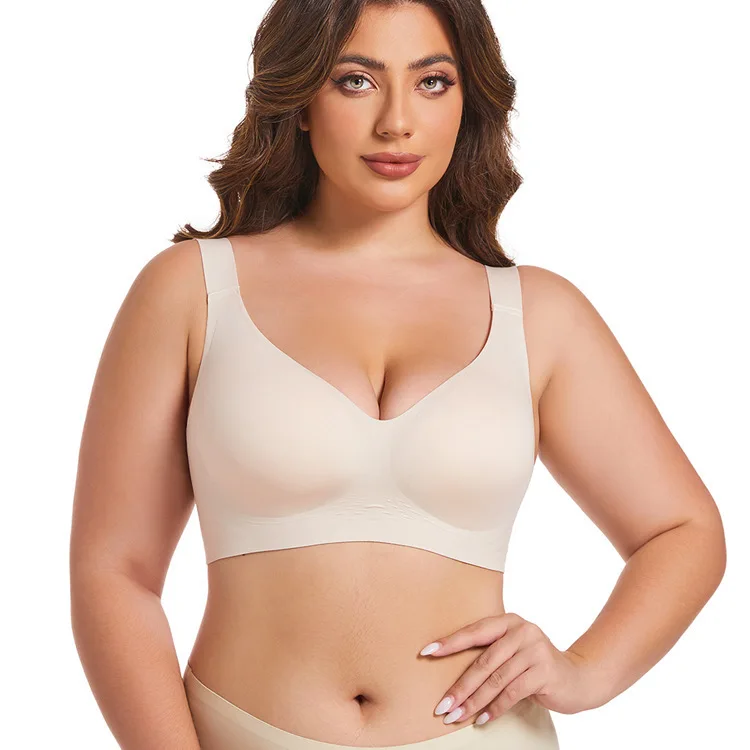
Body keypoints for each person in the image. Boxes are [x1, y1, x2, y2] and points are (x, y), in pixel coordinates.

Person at [69, 1, 727, 748]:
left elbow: (684, 530)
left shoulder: (539, 314)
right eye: (356, 81)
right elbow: (113, 572)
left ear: (468, 100)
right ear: (301, 100)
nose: (397, 123)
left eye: (432, 82)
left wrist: (585, 672)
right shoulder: (190, 291)